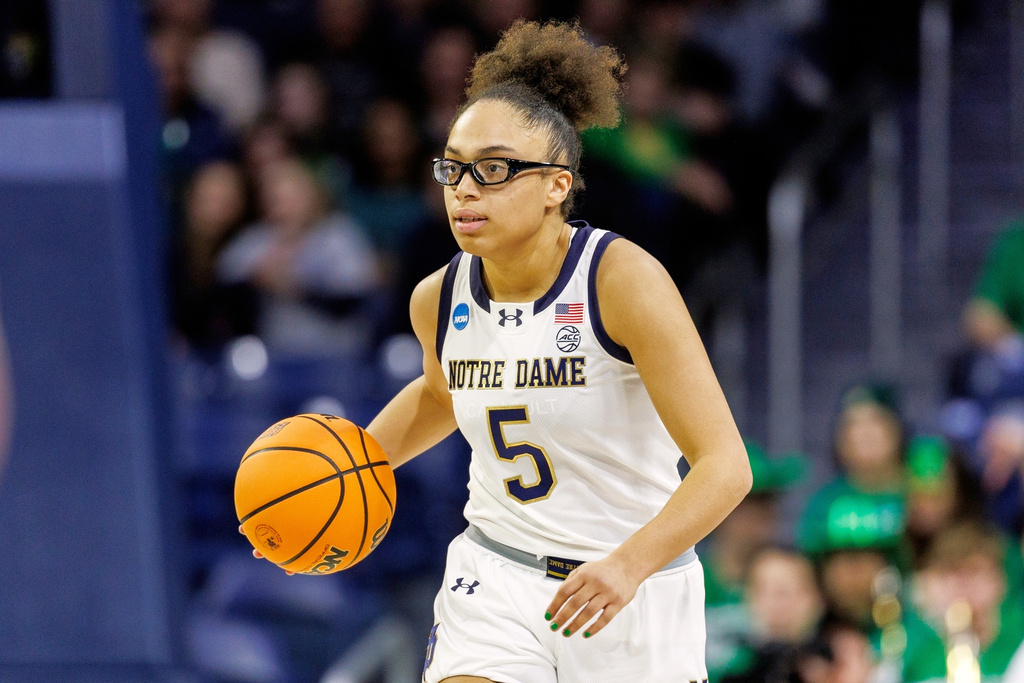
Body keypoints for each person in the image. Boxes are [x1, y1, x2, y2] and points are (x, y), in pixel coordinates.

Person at [254, 20, 751, 681]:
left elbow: (726, 467)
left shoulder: (622, 280)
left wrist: (629, 565)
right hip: (497, 573)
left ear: (556, 185)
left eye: (492, 170)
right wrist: (349, 471)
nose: (464, 188)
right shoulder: (438, 295)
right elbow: (443, 391)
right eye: (453, 168)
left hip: (632, 584)